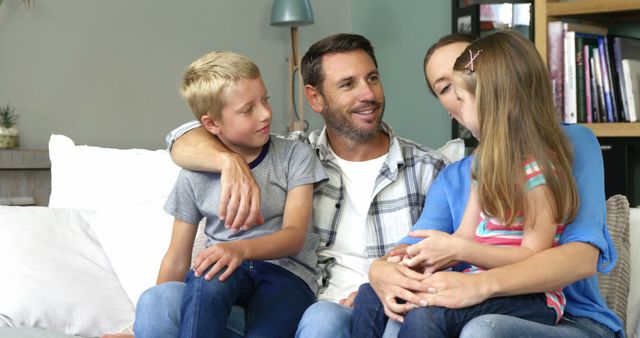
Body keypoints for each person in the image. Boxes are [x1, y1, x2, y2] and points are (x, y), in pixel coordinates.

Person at [131, 33, 448, 338]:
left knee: (323, 320)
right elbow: (180, 138)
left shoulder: (428, 169)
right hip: (306, 304)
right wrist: (228, 162)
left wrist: (376, 293)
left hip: (377, 304)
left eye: (373, 78)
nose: (368, 94)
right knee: (158, 302)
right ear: (314, 97)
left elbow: (449, 258)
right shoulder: (300, 151)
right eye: (348, 84)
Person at [367, 32, 623, 338]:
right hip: (475, 294)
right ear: (450, 107)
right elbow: (427, 246)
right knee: (386, 306)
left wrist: (475, 280)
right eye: (447, 88)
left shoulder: (564, 149)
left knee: (476, 328)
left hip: (559, 311)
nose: (460, 98)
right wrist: (381, 271)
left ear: (496, 90)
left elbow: (580, 256)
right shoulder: (473, 168)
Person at [136, 51, 327, 338]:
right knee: (205, 279)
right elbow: (177, 259)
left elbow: (294, 236)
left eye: (265, 99)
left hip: (286, 275)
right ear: (212, 124)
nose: (264, 113)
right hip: (221, 272)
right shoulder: (194, 174)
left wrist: (238, 249)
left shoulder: (293, 156)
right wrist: (139, 324)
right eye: (247, 109)